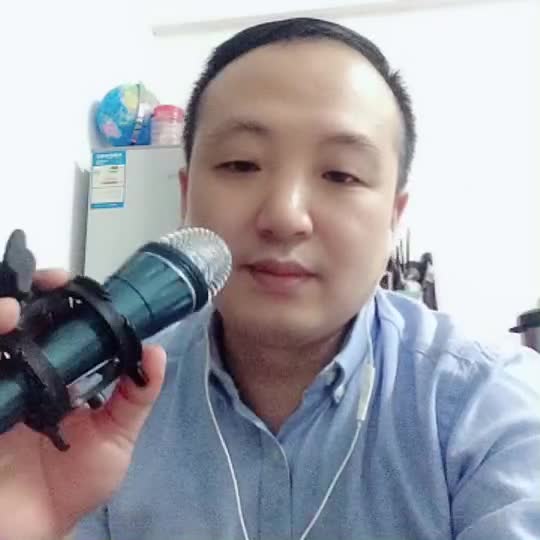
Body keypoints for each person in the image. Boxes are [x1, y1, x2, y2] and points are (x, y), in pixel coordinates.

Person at [0, 17, 539, 540]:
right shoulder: (93, 406)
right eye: (240, 164)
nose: (284, 215)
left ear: (394, 218)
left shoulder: (489, 407)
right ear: (186, 196)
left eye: (341, 174)